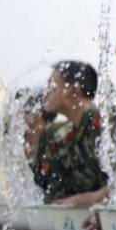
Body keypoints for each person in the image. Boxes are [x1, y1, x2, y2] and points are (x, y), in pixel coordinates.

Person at [35, 60, 108, 206]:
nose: (46, 92)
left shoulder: (105, 127)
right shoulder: (66, 133)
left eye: (53, 85)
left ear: (73, 90)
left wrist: (91, 199)